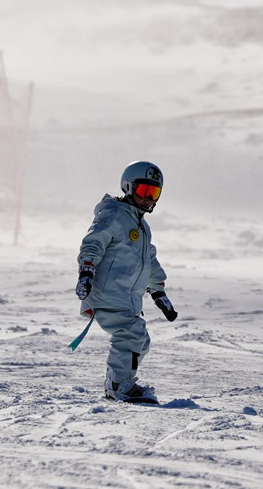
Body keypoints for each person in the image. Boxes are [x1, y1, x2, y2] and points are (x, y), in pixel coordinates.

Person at [75, 160, 178, 402]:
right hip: (107, 292)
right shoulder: (113, 215)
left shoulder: (141, 225)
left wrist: (158, 292)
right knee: (131, 334)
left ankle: (118, 379)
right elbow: (93, 242)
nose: (148, 199)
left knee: (140, 340)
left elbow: (149, 259)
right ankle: (119, 385)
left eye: (154, 193)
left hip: (127, 298)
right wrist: (87, 271)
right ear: (128, 187)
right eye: (144, 191)